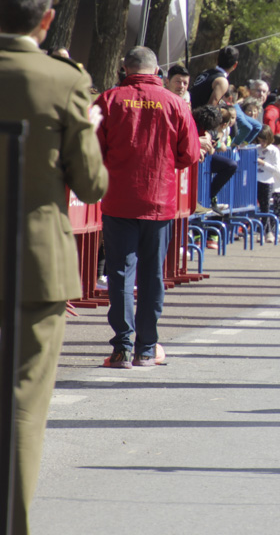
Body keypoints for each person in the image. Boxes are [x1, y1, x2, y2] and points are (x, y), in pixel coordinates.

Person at [0, 0, 108, 535]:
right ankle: (7, 527)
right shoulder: (64, 82)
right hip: (37, 261)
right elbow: (91, 184)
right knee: (22, 407)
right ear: (47, 20)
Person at [95, 46, 197, 369]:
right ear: (157, 72)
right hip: (159, 201)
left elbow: (91, 149)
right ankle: (147, 347)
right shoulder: (176, 103)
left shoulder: (108, 101)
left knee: (120, 275)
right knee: (152, 276)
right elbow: (191, 153)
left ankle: (123, 347)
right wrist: (166, 164)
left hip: (119, 200)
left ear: (125, 69)